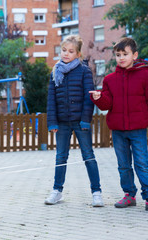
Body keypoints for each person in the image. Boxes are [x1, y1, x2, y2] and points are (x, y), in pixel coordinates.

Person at [89, 37, 148, 213]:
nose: (121, 57)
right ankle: (129, 195)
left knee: (142, 164)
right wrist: (99, 98)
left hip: (138, 130)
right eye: (118, 54)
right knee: (123, 165)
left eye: (125, 54)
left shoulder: (146, 76)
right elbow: (107, 105)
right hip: (118, 131)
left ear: (135, 55)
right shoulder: (110, 79)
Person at [45, 35, 104, 207]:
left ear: (78, 54)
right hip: (62, 123)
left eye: (71, 51)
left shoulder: (85, 70)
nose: (66, 54)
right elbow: (51, 99)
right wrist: (52, 122)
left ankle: (96, 192)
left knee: (88, 156)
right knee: (60, 157)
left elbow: (89, 98)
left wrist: (86, 120)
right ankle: (57, 191)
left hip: (80, 122)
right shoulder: (55, 71)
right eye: (64, 50)